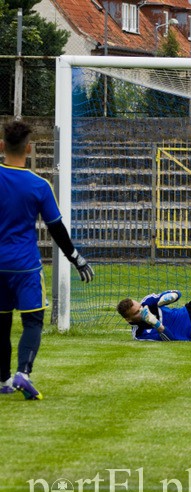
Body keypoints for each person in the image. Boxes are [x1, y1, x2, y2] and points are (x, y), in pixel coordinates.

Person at [0, 120, 95, 400]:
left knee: (1, 324)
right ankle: (23, 373)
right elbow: (56, 228)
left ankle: (4, 380)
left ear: (2, 146)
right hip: (25, 267)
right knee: (32, 323)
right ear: (29, 149)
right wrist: (76, 258)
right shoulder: (38, 185)